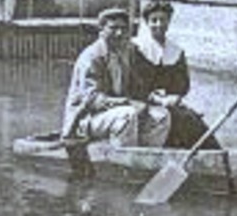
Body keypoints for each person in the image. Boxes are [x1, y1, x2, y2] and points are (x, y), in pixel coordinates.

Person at [60, 8, 171, 145]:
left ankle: (145, 158)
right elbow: (91, 99)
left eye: (123, 29)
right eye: (113, 28)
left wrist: (156, 97)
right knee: (128, 114)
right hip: (87, 119)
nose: (119, 33)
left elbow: (140, 84)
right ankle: (122, 162)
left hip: (114, 113)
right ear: (101, 31)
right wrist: (126, 102)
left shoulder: (128, 52)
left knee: (161, 116)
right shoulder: (92, 57)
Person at [130, 0, 218, 150]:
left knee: (194, 122)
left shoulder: (176, 51)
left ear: (169, 21)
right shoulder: (136, 48)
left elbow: (182, 84)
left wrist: (174, 97)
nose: (159, 25)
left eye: (163, 20)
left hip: (169, 103)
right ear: (146, 22)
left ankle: (213, 160)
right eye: (154, 20)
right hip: (142, 101)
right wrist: (155, 98)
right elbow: (131, 83)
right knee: (173, 120)